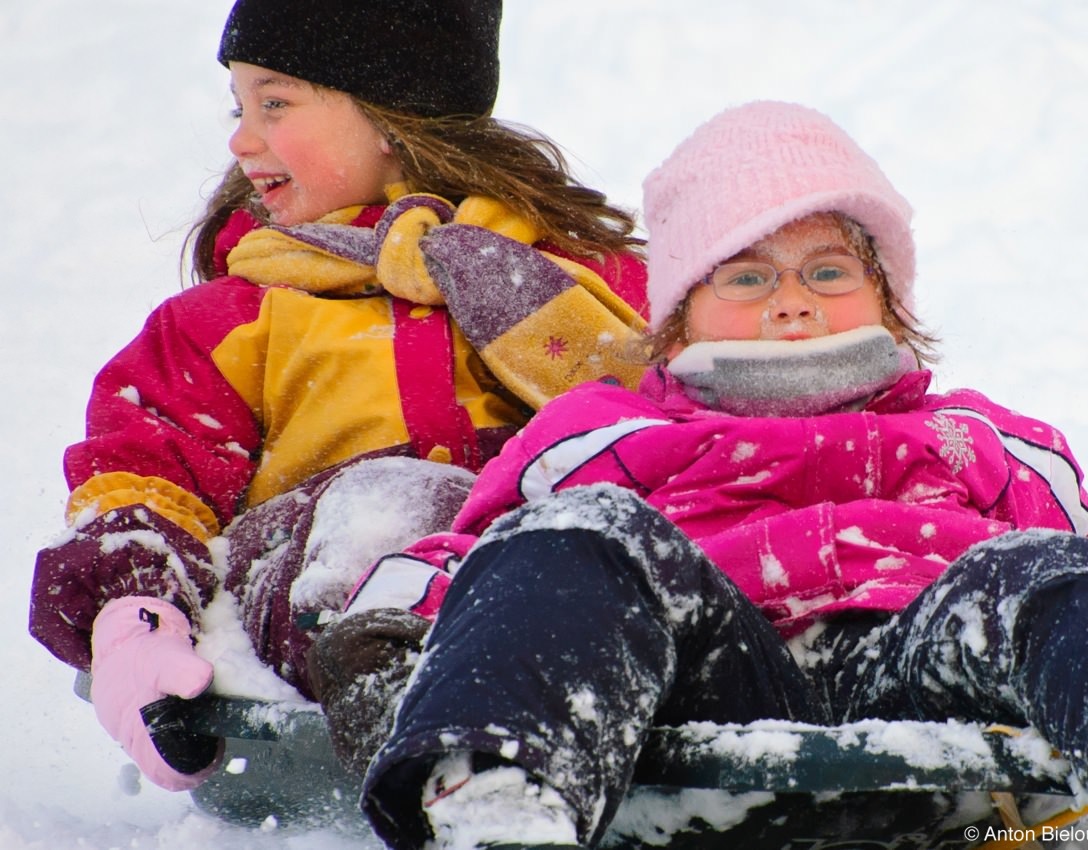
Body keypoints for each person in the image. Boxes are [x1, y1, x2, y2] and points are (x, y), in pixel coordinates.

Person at [347, 101, 1088, 850]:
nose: (792, 302)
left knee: (1035, 567)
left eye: (829, 270)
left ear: (888, 299)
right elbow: (488, 557)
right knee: (580, 533)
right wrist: (385, 641)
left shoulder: (979, 437)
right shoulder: (600, 431)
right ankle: (504, 796)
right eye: (746, 278)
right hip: (702, 687)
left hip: (928, 680)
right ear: (677, 319)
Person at [28, 0, 649, 795]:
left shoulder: (584, 286)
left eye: (275, 102)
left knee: (591, 508)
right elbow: (148, 476)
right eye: (240, 106)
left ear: (394, 116)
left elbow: (704, 421)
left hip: (541, 595)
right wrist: (131, 618)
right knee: (393, 498)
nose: (240, 139)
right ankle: (419, 728)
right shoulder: (231, 319)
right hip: (323, 606)